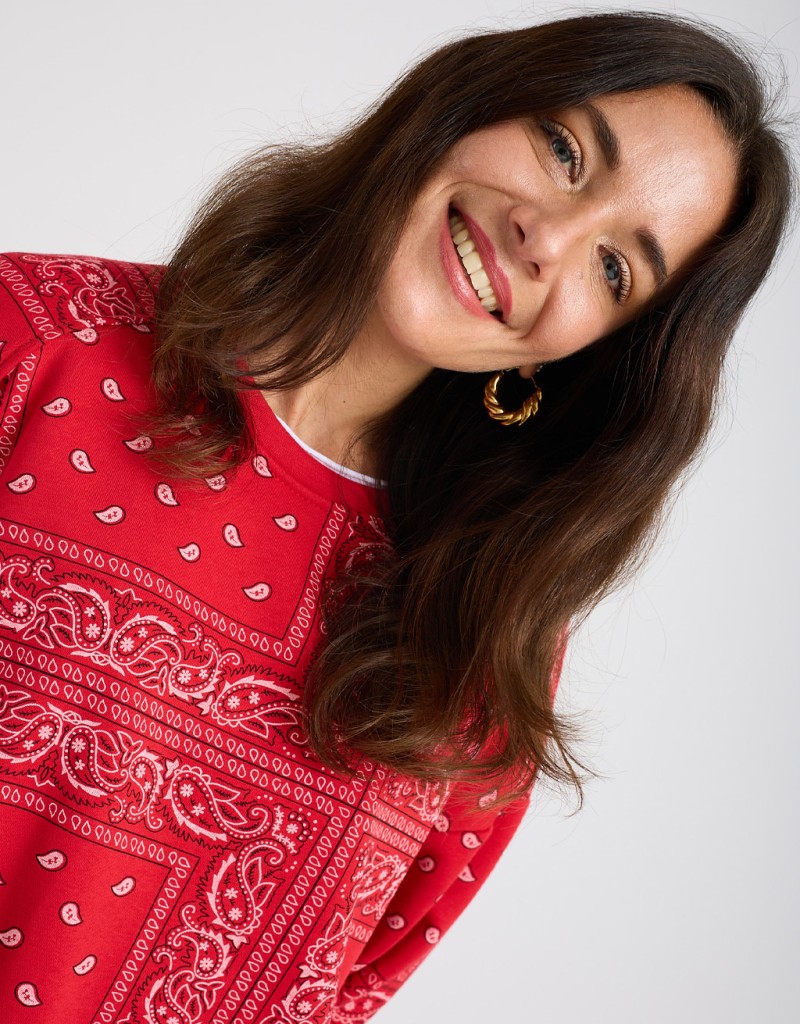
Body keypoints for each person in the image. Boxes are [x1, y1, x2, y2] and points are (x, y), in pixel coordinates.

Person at [0, 10, 792, 1023]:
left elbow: (344, 989)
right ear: (465, 105)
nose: (547, 238)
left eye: (614, 269)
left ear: (594, 348)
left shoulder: (488, 637)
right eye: (564, 152)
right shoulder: (35, 343)